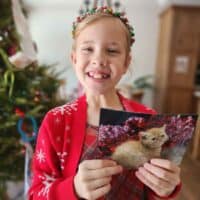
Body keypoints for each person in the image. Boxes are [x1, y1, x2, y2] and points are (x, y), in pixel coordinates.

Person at [29, 6, 181, 200]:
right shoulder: (56, 121)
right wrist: (73, 188)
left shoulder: (148, 119)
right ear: (74, 59)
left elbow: (155, 186)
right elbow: (36, 194)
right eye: (88, 49)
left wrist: (166, 187)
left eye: (111, 50)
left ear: (126, 63)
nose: (99, 59)